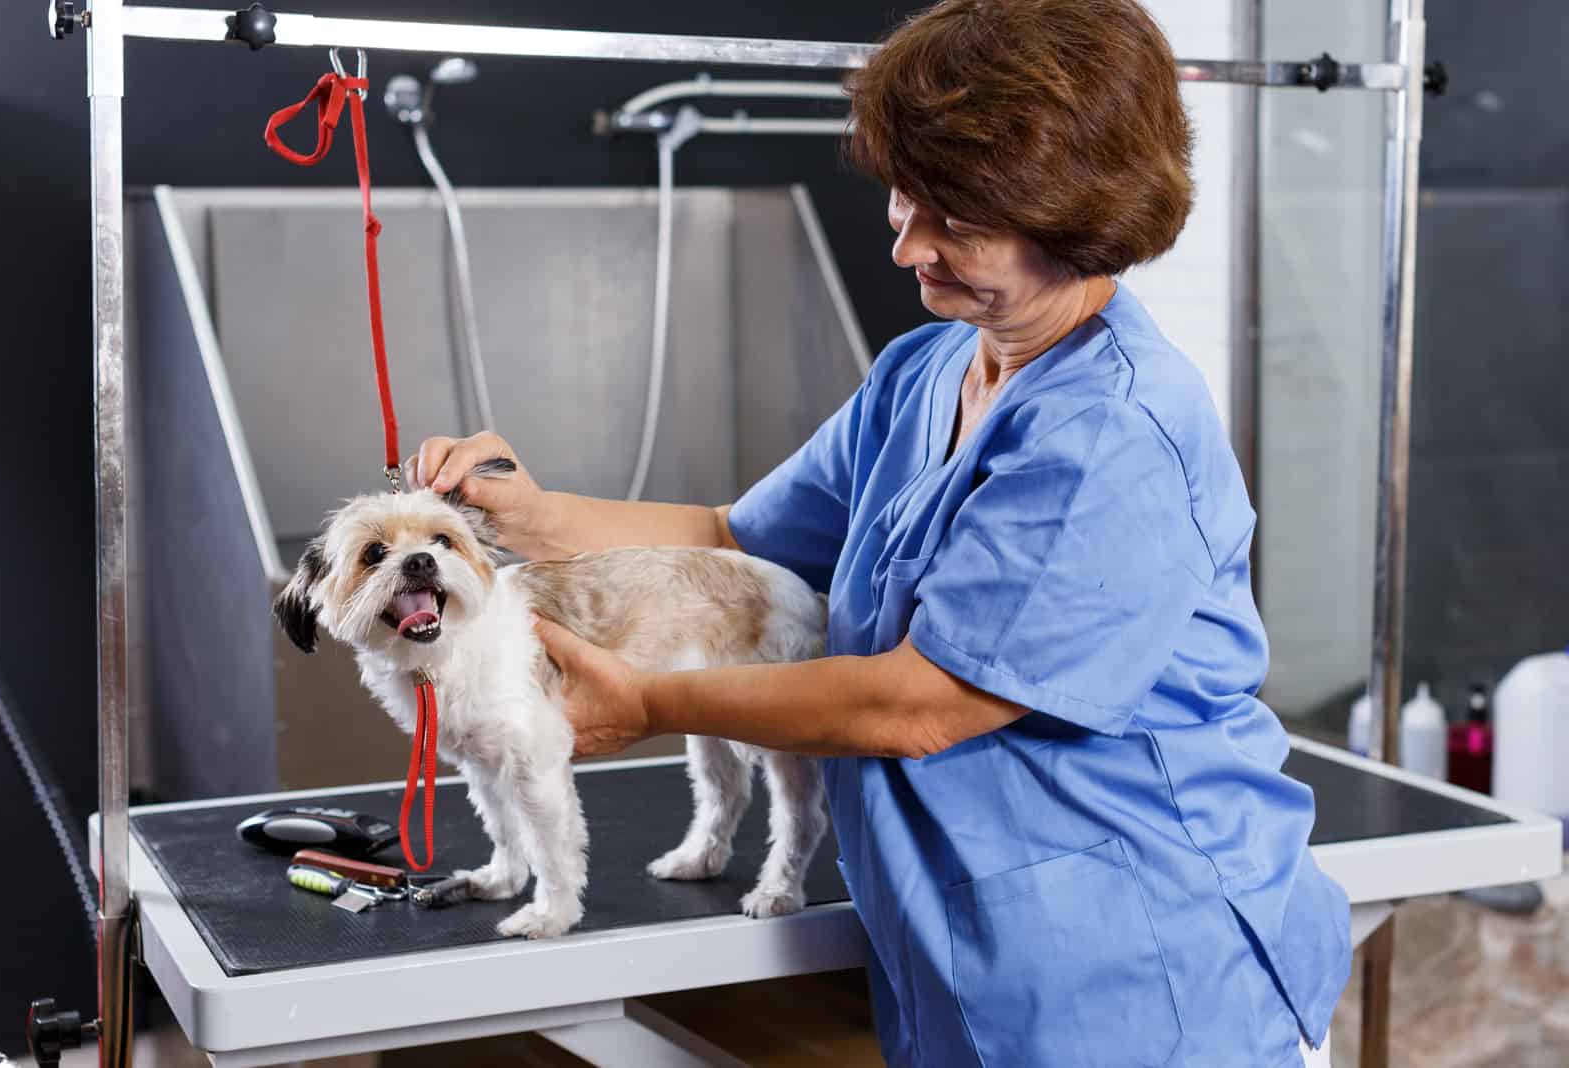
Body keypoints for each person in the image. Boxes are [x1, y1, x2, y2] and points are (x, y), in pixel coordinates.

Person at [409, 0, 1350, 1062]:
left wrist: (650, 702)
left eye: (956, 220)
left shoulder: (1112, 434)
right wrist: (536, 516)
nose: (907, 243)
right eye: (906, 198)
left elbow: (922, 704)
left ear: (1075, 218)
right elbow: (735, 536)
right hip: (973, 956)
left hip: (1145, 972)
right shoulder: (929, 367)